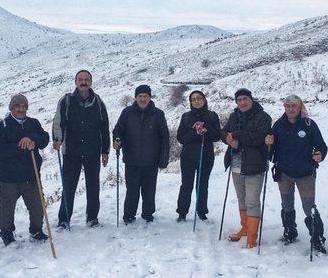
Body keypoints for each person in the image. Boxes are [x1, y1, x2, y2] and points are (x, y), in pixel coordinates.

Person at [265, 95, 328, 253]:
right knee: (287, 205)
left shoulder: (309, 124)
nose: (290, 109)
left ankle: (317, 237)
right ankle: (289, 230)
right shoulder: (278, 125)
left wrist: (320, 154)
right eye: (287, 106)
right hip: (284, 172)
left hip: (305, 173)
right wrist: (269, 144)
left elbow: (321, 145)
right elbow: (271, 151)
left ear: (300, 107)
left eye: (294, 106)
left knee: (309, 207)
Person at [52, 70, 110, 228]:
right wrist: (57, 139)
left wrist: (105, 150)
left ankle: (92, 218)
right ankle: (64, 220)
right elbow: (59, 121)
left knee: (93, 187)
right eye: (80, 79)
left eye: (86, 79)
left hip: (92, 151)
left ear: (91, 82)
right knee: (69, 186)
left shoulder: (98, 102)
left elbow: (104, 127)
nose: (83, 82)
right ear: (75, 82)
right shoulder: (66, 101)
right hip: (72, 151)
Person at [0, 94, 50, 246]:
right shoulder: (2, 126)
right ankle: (6, 233)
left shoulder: (33, 122)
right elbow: (2, 151)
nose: (21, 109)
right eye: (17, 106)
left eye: (24, 106)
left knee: (37, 205)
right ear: (11, 107)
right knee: (7, 207)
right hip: (9, 177)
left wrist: (32, 139)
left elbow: (44, 138)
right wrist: (24, 145)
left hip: (31, 174)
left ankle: (36, 230)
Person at [221, 88, 272, 249]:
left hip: (255, 164)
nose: (242, 102)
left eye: (245, 99)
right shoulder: (234, 115)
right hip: (236, 163)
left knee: (252, 201)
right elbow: (224, 132)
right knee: (242, 198)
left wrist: (236, 136)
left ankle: (252, 235)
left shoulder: (263, 117)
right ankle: (245, 227)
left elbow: (258, 139)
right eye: (239, 100)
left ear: (251, 99)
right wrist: (229, 140)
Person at [112, 85, 170, 223]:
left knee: (149, 191)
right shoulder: (126, 113)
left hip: (151, 160)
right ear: (135, 97)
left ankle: (148, 214)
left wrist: (163, 158)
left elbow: (165, 137)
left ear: (150, 97)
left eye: (145, 96)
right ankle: (129, 215)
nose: (143, 99)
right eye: (140, 96)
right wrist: (117, 139)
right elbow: (118, 129)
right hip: (132, 159)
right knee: (132, 191)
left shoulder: (158, 114)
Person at [175, 90, 221, 222]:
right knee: (186, 185)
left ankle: (201, 211)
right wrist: (195, 132)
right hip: (188, 156)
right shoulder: (186, 117)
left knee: (202, 184)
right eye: (193, 99)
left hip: (206, 155)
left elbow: (217, 136)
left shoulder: (212, 116)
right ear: (190, 102)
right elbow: (180, 137)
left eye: (199, 98)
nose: (196, 101)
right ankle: (182, 212)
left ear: (204, 100)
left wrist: (207, 129)